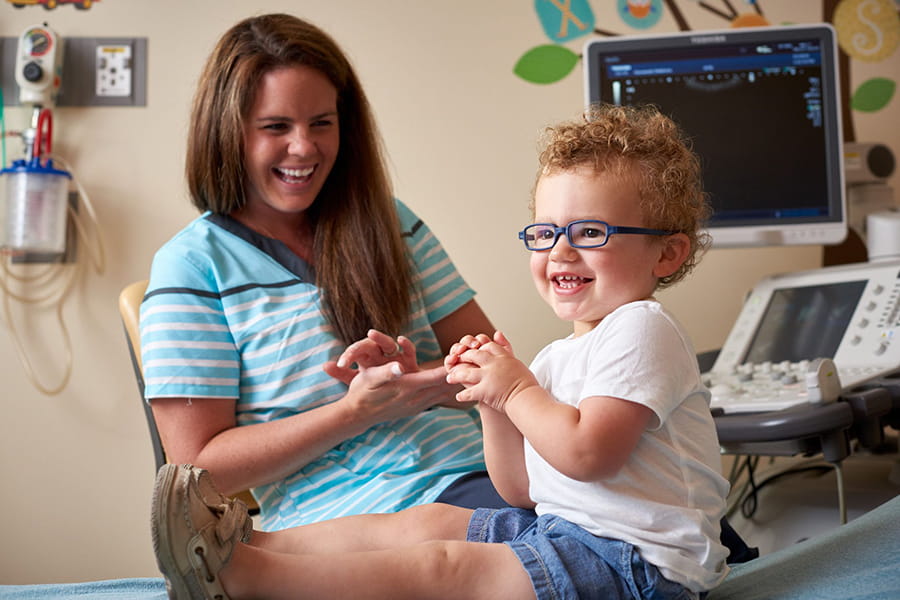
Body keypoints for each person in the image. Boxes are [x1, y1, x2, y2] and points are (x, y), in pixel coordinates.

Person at [150, 103, 732, 600]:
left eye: (590, 233)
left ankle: (245, 580)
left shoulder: (642, 329)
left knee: (446, 566)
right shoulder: (559, 357)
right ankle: (244, 545)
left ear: (666, 255)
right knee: (428, 523)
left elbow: (586, 457)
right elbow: (524, 490)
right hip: (569, 531)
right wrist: (490, 404)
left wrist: (515, 389)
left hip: (638, 570)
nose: (560, 251)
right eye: (545, 232)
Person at [139, 12, 505, 532]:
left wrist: (427, 379)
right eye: (275, 127)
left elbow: (499, 369)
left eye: (321, 123)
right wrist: (353, 411)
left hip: (486, 476)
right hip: (349, 517)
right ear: (227, 134)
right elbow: (199, 467)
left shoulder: (392, 224)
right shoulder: (193, 267)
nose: (304, 147)